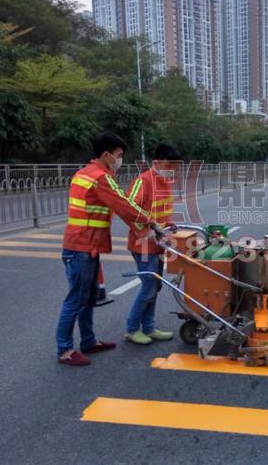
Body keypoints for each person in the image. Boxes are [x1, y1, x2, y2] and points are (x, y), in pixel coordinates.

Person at [56, 133, 157, 366]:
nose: (121, 160)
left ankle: (89, 341)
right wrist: (150, 222)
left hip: (83, 246)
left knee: (89, 298)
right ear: (107, 155)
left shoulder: (84, 173)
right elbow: (123, 205)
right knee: (75, 300)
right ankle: (64, 350)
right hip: (81, 247)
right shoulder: (101, 177)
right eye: (119, 155)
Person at [124, 143, 181, 344]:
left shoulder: (165, 182)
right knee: (149, 287)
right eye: (169, 166)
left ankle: (149, 327)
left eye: (175, 167)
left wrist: (168, 224)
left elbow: (159, 212)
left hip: (158, 244)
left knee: (155, 287)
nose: (172, 170)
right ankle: (132, 329)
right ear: (156, 162)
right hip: (143, 244)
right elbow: (127, 209)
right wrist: (145, 231)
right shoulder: (143, 181)